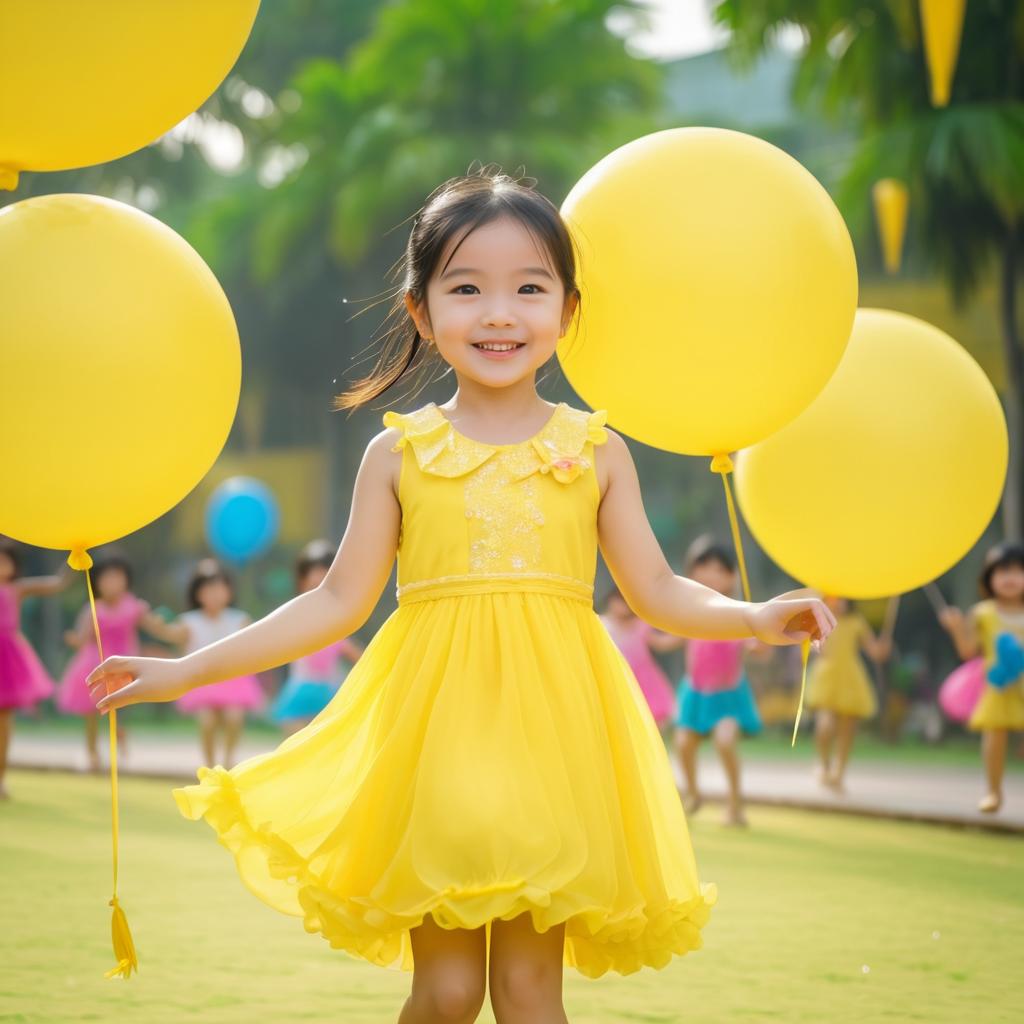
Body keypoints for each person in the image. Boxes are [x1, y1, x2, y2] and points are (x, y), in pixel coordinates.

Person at [87, 168, 834, 1022]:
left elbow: (658, 589)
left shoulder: (596, 451)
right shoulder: (398, 453)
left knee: (526, 994)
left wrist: (754, 618)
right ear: (421, 310)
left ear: (568, 310)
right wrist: (189, 670)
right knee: (445, 993)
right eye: (467, 288)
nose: (499, 313)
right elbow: (336, 603)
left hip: (555, 748)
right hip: (436, 743)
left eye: (529, 288)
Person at [673, 537, 764, 827]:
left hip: (728, 694)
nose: (711, 574)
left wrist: (759, 646)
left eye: (719, 569)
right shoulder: (687, 607)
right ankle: (694, 793)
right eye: (704, 567)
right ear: (692, 572)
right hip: (696, 693)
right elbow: (670, 635)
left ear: (732, 576)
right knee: (683, 744)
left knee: (725, 742)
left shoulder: (738, 610)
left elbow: (755, 643)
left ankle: (735, 804)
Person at [147, 560, 266, 770]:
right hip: (202, 681)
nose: (214, 594)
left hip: (232, 680)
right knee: (207, 722)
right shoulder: (190, 621)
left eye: (219, 588)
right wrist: (156, 627)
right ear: (198, 593)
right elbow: (171, 634)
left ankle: (229, 761)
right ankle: (210, 765)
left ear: (229, 591)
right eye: (208, 589)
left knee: (234, 717)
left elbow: (254, 645)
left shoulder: (239, 619)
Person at [57, 552, 166, 772]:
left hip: (123, 666)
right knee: (91, 714)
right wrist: (74, 639)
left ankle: (120, 747)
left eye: (117, 577)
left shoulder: (134, 606)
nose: (112, 583)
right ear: (97, 582)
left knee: (120, 711)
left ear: (126, 580)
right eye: (107, 578)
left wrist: (163, 627)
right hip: (94, 666)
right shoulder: (93, 608)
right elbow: (83, 637)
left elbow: (155, 626)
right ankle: (92, 754)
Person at [939, 541, 1024, 813]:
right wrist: (955, 628)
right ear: (989, 578)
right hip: (997, 686)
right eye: (1002, 572)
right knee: (994, 737)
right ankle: (993, 792)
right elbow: (968, 650)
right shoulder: (983, 613)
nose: (1009, 578)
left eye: (1017, 571)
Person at [0, 538, 71, 799]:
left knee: (4, 724)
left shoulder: (17, 589)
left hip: (7, 660)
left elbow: (56, 583)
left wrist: (75, 557)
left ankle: (1, 778)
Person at [271, 540, 363, 736]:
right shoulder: (294, 616)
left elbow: (358, 656)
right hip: (299, 694)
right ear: (302, 582)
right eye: (312, 583)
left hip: (327, 696)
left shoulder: (339, 622)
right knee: (295, 742)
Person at [806, 596, 891, 794]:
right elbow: (813, 646)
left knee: (847, 729)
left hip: (850, 678)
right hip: (827, 677)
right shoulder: (822, 620)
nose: (839, 603)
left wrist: (882, 648)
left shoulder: (856, 622)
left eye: (843, 599)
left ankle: (839, 773)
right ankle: (824, 764)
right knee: (825, 725)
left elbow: (875, 652)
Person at [599, 585, 681, 736]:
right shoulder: (601, 624)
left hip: (644, 682)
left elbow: (661, 643)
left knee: (651, 725)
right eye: (618, 599)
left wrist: (684, 632)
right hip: (616, 679)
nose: (621, 605)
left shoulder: (640, 625)